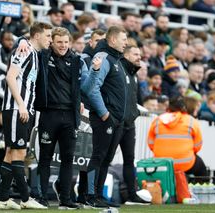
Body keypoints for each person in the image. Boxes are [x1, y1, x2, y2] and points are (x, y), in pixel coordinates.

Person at [35, 27, 101, 210]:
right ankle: (41, 197)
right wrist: (22, 43)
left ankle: (65, 199)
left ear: (70, 42)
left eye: (66, 42)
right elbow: (29, 41)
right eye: (59, 42)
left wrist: (95, 70)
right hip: (49, 114)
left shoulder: (78, 60)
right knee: (45, 158)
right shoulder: (43, 56)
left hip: (70, 117)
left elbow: (87, 87)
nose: (63, 45)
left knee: (68, 159)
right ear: (52, 42)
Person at [0, 22, 52, 210]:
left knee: (11, 153)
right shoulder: (24, 49)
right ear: (37, 36)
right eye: (48, 36)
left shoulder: (35, 53)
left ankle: (3, 199)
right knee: (19, 152)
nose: (50, 40)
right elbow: (10, 77)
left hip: (24, 108)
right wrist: (21, 105)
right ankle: (26, 198)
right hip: (16, 108)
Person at [82, 26, 128, 208]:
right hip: (105, 117)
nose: (126, 43)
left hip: (115, 118)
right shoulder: (102, 57)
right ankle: (90, 195)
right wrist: (104, 113)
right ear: (113, 40)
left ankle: (98, 195)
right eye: (124, 39)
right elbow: (90, 88)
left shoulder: (117, 59)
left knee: (106, 158)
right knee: (98, 156)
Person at [119, 45, 149, 205]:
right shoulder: (119, 70)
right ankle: (94, 193)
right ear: (126, 55)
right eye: (135, 54)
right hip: (116, 123)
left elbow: (138, 101)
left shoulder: (134, 74)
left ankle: (132, 194)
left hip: (129, 124)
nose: (139, 57)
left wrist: (137, 112)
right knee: (104, 159)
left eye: (140, 54)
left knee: (129, 159)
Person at [147, 96, 208, 176]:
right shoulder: (191, 121)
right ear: (183, 107)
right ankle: (202, 186)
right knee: (201, 168)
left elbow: (151, 144)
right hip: (185, 164)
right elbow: (198, 146)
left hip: (162, 164)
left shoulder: (157, 120)